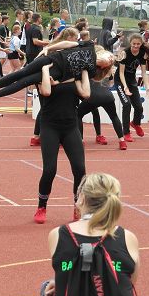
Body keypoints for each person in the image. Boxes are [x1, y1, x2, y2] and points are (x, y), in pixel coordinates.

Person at [40, 173, 146, 296]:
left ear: (81, 197)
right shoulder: (127, 237)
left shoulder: (58, 234)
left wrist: (63, 282)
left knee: (46, 286)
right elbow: (128, 284)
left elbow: (75, 275)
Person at [0, 32, 109, 108]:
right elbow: (68, 44)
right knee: (22, 72)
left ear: (104, 67)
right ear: (103, 53)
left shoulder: (91, 71)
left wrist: (58, 82)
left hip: (55, 72)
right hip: (53, 58)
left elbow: (74, 79)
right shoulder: (89, 45)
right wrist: (48, 48)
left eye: (110, 61)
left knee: (24, 81)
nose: (109, 59)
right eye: (109, 57)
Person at [33, 62, 90, 224]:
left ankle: (78, 206)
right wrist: (45, 69)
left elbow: (86, 94)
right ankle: (41, 206)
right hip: (50, 127)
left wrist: (84, 71)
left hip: (70, 127)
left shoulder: (74, 74)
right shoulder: (44, 73)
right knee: (50, 170)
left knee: (80, 169)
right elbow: (46, 91)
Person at [115, 34, 149, 142]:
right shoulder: (125, 53)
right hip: (120, 81)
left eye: (138, 44)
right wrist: (125, 87)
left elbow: (143, 72)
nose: (136, 46)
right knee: (127, 105)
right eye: (134, 44)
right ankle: (126, 132)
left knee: (139, 107)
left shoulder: (142, 53)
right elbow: (121, 73)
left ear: (141, 44)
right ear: (130, 43)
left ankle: (135, 123)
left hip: (131, 81)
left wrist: (147, 86)